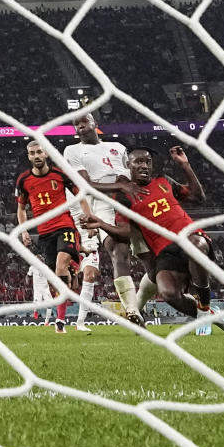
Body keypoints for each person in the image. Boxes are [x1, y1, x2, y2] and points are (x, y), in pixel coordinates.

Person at [83, 146, 224, 335]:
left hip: (190, 237)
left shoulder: (164, 181)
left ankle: (203, 306)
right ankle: (210, 314)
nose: (144, 166)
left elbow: (197, 197)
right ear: (128, 165)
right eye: (139, 162)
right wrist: (101, 223)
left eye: (148, 162)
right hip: (164, 250)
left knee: (194, 246)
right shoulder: (125, 197)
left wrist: (185, 165)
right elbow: (124, 233)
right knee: (167, 292)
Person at [64, 113, 147, 327]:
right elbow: (85, 185)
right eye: (76, 124)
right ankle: (132, 311)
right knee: (117, 249)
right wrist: (120, 186)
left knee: (152, 255)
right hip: (102, 203)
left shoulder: (117, 147)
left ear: (95, 124)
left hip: (130, 200)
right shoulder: (73, 151)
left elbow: (126, 175)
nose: (80, 126)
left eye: (84, 122)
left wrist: (123, 184)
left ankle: (140, 302)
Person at [16, 140, 89, 334]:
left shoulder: (60, 174)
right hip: (44, 233)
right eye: (32, 153)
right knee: (57, 278)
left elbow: (80, 195)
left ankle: (74, 263)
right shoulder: (23, 180)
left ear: (46, 153)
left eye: (39, 152)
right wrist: (24, 230)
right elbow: (21, 208)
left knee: (60, 266)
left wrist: (88, 216)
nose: (36, 156)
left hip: (65, 226)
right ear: (29, 156)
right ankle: (61, 319)